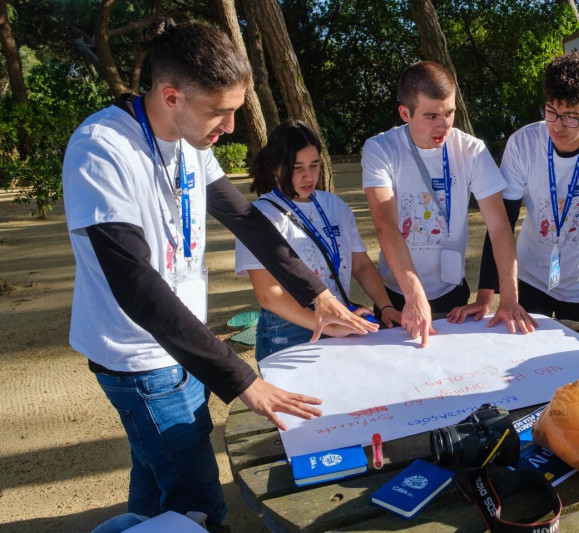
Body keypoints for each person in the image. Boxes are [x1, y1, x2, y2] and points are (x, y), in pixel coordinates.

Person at [61, 18, 375, 529]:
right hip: (140, 359)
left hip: (183, 349)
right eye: (220, 112)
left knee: (156, 481)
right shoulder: (102, 149)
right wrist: (242, 377)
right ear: (171, 96)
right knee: (200, 506)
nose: (230, 127)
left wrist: (317, 294)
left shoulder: (191, 142)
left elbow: (248, 222)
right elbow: (137, 287)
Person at [455, 51, 579, 346]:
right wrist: (486, 293)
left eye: (572, 117)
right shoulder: (524, 142)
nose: (557, 126)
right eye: (551, 111)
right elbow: (501, 222)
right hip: (529, 275)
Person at [362, 61, 537, 347]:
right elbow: (386, 226)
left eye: (449, 112)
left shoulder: (471, 149)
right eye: (431, 115)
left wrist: (507, 298)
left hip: (451, 292)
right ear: (405, 113)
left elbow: (499, 227)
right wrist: (414, 295)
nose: (443, 125)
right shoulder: (381, 149)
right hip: (398, 294)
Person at [235, 121, 401, 360]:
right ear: (275, 168)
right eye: (297, 167)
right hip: (290, 328)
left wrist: (386, 307)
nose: (308, 176)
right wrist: (329, 326)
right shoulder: (260, 216)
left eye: (314, 165)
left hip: (339, 318)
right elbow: (268, 295)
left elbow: (361, 265)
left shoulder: (335, 205)